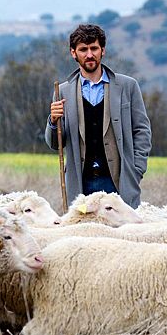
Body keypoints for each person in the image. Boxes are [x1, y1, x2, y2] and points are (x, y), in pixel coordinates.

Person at [45, 24, 151, 209]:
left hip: (119, 182)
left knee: (123, 235)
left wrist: (136, 170)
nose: (89, 54)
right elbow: (56, 144)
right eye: (83, 49)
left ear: (102, 50)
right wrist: (53, 122)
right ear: (73, 53)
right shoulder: (62, 91)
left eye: (94, 48)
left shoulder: (128, 86)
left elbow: (142, 130)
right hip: (80, 184)